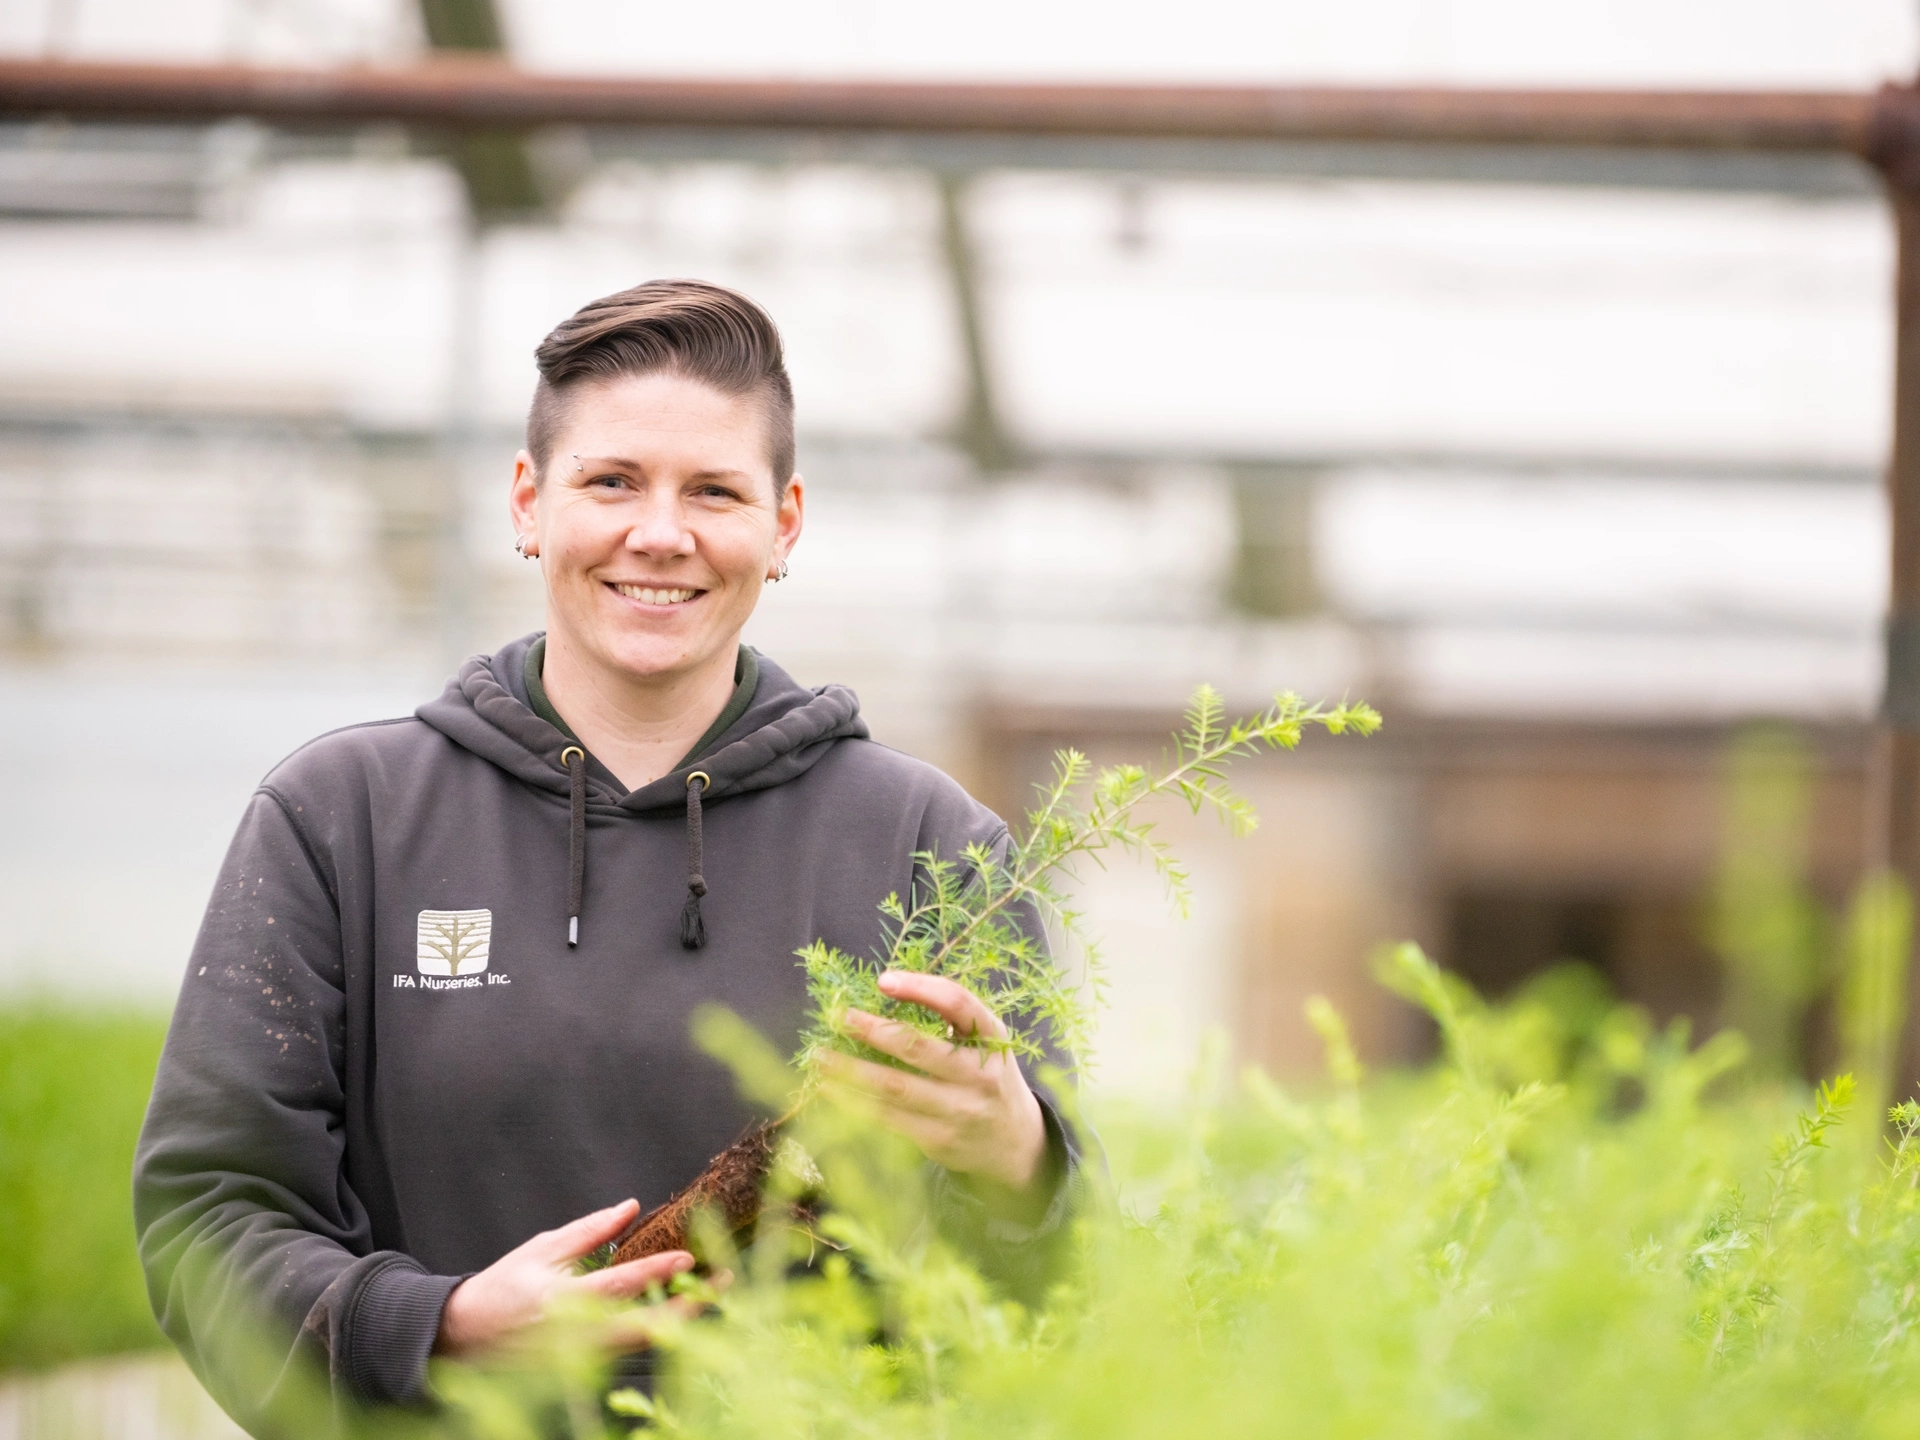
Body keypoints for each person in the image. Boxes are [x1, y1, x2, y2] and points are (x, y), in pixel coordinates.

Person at [133, 279, 1083, 1432]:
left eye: (715, 491)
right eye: (613, 481)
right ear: (531, 503)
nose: (662, 533)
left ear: (783, 525)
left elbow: (1059, 1292)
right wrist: (434, 1327)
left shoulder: (927, 849)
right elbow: (208, 1214)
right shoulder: (345, 819)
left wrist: (1021, 1157)